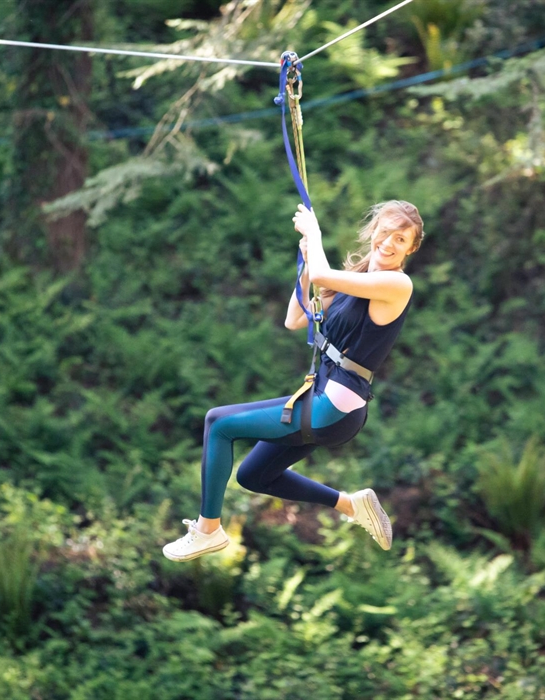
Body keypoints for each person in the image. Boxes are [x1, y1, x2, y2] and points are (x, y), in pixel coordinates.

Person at [163, 200, 424, 562]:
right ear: (373, 230)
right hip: (326, 404)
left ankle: (208, 530)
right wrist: (304, 263)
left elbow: (322, 276)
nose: (389, 242)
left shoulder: (396, 284)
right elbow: (294, 318)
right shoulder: (356, 280)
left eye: (401, 238)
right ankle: (350, 504)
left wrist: (314, 236)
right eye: (385, 231)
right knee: (253, 475)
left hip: (334, 406)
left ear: (410, 248)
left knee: (218, 423)